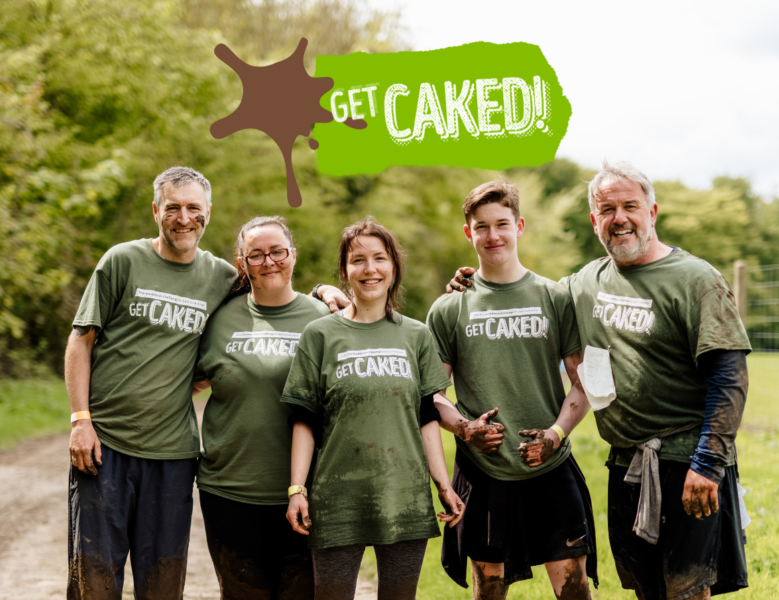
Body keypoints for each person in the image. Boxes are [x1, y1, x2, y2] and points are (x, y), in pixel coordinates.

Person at [448, 162, 751, 600]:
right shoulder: (585, 282)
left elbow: (729, 376)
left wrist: (708, 463)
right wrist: (471, 281)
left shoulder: (696, 279)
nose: (619, 217)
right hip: (626, 462)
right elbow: (522, 290)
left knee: (686, 588)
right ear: (594, 221)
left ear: (653, 211)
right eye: (607, 209)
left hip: (688, 460)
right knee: (646, 586)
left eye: (630, 206)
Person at [65, 168, 347, 599]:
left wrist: (325, 289)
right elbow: (80, 341)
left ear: (207, 213)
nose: (183, 217)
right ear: (156, 210)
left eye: (193, 208)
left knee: (163, 583)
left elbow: (271, 284)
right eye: (173, 207)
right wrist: (80, 419)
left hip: (175, 455)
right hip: (105, 447)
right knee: (94, 580)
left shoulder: (220, 278)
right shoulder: (123, 260)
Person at [426, 181, 597, 600]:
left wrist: (556, 434)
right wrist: (466, 429)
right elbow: (431, 393)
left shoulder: (554, 297)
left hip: (551, 464)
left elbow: (583, 382)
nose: (493, 235)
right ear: (468, 233)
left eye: (502, 224)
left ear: (519, 226)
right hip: (483, 468)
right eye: (481, 227)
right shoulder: (449, 308)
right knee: (489, 587)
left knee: (573, 587)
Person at [281, 217, 465, 600]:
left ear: (393, 266)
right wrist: (297, 489)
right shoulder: (321, 334)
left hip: (405, 498)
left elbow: (427, 417)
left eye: (379, 258)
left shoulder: (415, 334)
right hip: (336, 500)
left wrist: (443, 484)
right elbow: (304, 419)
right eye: (358, 260)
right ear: (345, 270)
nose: (370, 269)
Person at [193, 216, 331, 599]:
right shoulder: (219, 319)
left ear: (293, 255)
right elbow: (187, 381)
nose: (268, 261)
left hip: (306, 493)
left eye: (277, 252)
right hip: (229, 490)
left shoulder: (323, 320)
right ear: (242, 263)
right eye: (256, 255)